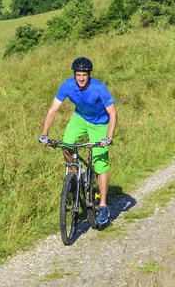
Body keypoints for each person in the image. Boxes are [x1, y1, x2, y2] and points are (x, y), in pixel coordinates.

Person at [39, 57, 117, 225]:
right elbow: (52, 109)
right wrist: (44, 133)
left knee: (100, 165)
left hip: (99, 123)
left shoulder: (99, 88)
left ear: (89, 75)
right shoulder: (67, 85)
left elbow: (113, 113)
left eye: (84, 75)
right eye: (78, 75)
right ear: (74, 75)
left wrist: (108, 137)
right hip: (80, 118)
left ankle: (102, 205)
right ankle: (76, 175)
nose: (81, 79)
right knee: (66, 144)